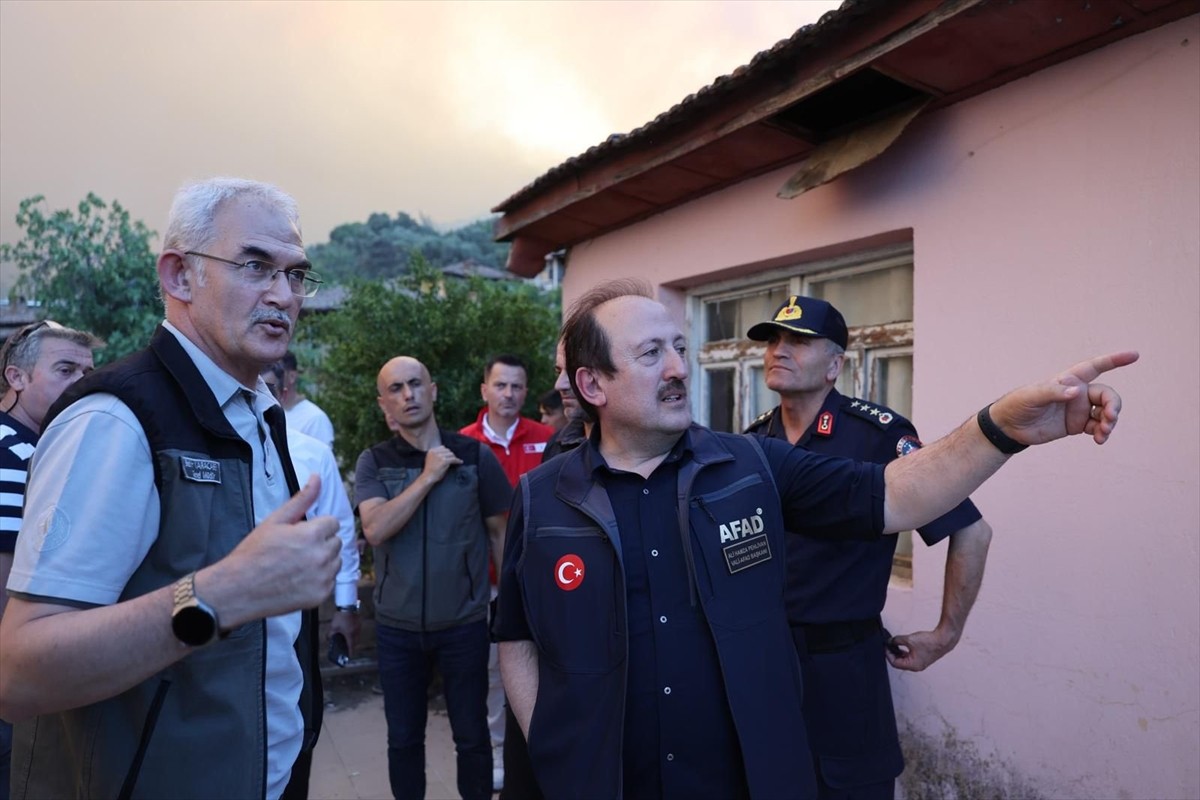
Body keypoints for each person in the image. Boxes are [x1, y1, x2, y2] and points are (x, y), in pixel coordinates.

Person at [494, 278, 1136, 799]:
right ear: (592, 385)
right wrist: (553, 739)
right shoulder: (542, 496)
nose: (678, 370)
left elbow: (899, 493)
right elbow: (517, 633)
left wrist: (1004, 428)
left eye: (680, 349)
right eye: (649, 354)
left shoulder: (748, 465)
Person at [0, 177, 342, 800]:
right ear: (180, 277)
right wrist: (218, 593)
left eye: (296, 274)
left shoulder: (260, 415)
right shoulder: (114, 421)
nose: (283, 295)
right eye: (255, 265)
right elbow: (23, 671)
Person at [744, 295, 993, 799]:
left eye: (798, 340)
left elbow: (971, 530)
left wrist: (947, 633)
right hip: (764, 664)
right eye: (773, 340)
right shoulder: (751, 444)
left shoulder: (877, 437)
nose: (779, 350)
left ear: (836, 364)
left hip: (843, 668)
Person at [356, 355, 512, 800]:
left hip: (463, 624)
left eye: (415, 384)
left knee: (472, 737)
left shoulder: (474, 456)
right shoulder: (374, 462)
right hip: (397, 629)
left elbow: (500, 534)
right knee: (404, 740)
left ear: (433, 390)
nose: (408, 395)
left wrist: (509, 608)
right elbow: (376, 528)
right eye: (397, 389)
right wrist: (427, 476)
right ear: (384, 402)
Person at [0, 320, 102, 800]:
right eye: (65, 369)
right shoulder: (9, 453)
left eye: (87, 370)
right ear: (16, 377)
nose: (81, 382)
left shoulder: (42, 446)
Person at [459, 353, 555, 791]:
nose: (509, 394)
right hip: (485, 584)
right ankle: (498, 754)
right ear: (484, 390)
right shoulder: (463, 444)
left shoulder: (547, 439)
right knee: (492, 675)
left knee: (539, 669)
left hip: (540, 583)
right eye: (501, 386)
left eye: (517, 386)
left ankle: (541, 750)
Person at [261, 361, 361, 657]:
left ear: (283, 394)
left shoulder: (313, 454)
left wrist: (345, 604)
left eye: (265, 389)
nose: (255, 398)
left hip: (296, 605)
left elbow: (339, 525)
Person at [280, 349, 334, 448]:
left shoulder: (315, 419)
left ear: (292, 376)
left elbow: (321, 461)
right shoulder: (261, 411)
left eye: (276, 371)